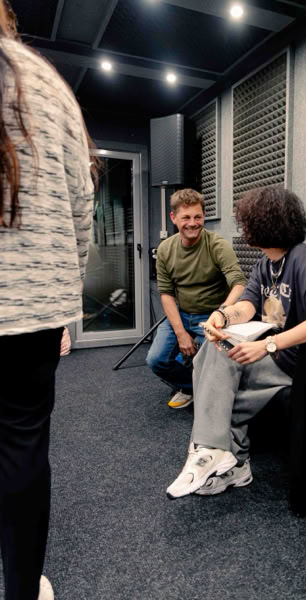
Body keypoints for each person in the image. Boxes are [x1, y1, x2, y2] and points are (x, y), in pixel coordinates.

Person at [167, 186, 306, 498]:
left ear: (265, 224)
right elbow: (248, 304)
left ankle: (220, 456)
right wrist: (222, 316)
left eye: (247, 222)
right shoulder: (265, 264)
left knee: (221, 391)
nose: (243, 228)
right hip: (276, 358)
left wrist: (267, 345)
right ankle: (220, 455)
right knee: (214, 349)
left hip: (303, 364)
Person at [0, 4, 94, 598]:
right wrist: (65, 296)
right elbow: (82, 204)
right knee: (21, 447)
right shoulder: (45, 82)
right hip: (27, 301)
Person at [146, 188, 247, 409]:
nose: (192, 223)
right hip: (181, 315)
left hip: (212, 315)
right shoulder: (165, 249)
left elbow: (239, 283)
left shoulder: (217, 245)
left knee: (219, 362)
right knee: (156, 359)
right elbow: (166, 293)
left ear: (203, 216)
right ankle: (192, 387)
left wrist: (221, 313)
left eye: (198, 217)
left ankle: (210, 389)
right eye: (186, 218)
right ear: (173, 218)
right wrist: (181, 333)